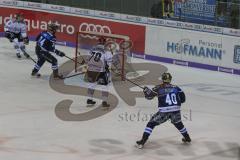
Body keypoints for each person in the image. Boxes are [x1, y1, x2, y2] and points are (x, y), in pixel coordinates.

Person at [136, 72, 191, 149]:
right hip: (176, 109)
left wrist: (146, 91)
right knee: (178, 123)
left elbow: (149, 97)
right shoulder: (176, 88)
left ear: (162, 79)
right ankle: (187, 138)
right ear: (170, 79)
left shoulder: (158, 88)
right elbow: (183, 100)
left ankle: (142, 141)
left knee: (151, 124)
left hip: (164, 111)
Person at [85, 37, 112, 107]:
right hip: (100, 71)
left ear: (98, 42)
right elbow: (109, 60)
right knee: (105, 86)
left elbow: (87, 58)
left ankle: (89, 99)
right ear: (105, 42)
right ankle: (104, 102)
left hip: (90, 70)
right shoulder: (107, 50)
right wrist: (108, 67)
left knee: (91, 85)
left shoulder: (93, 48)